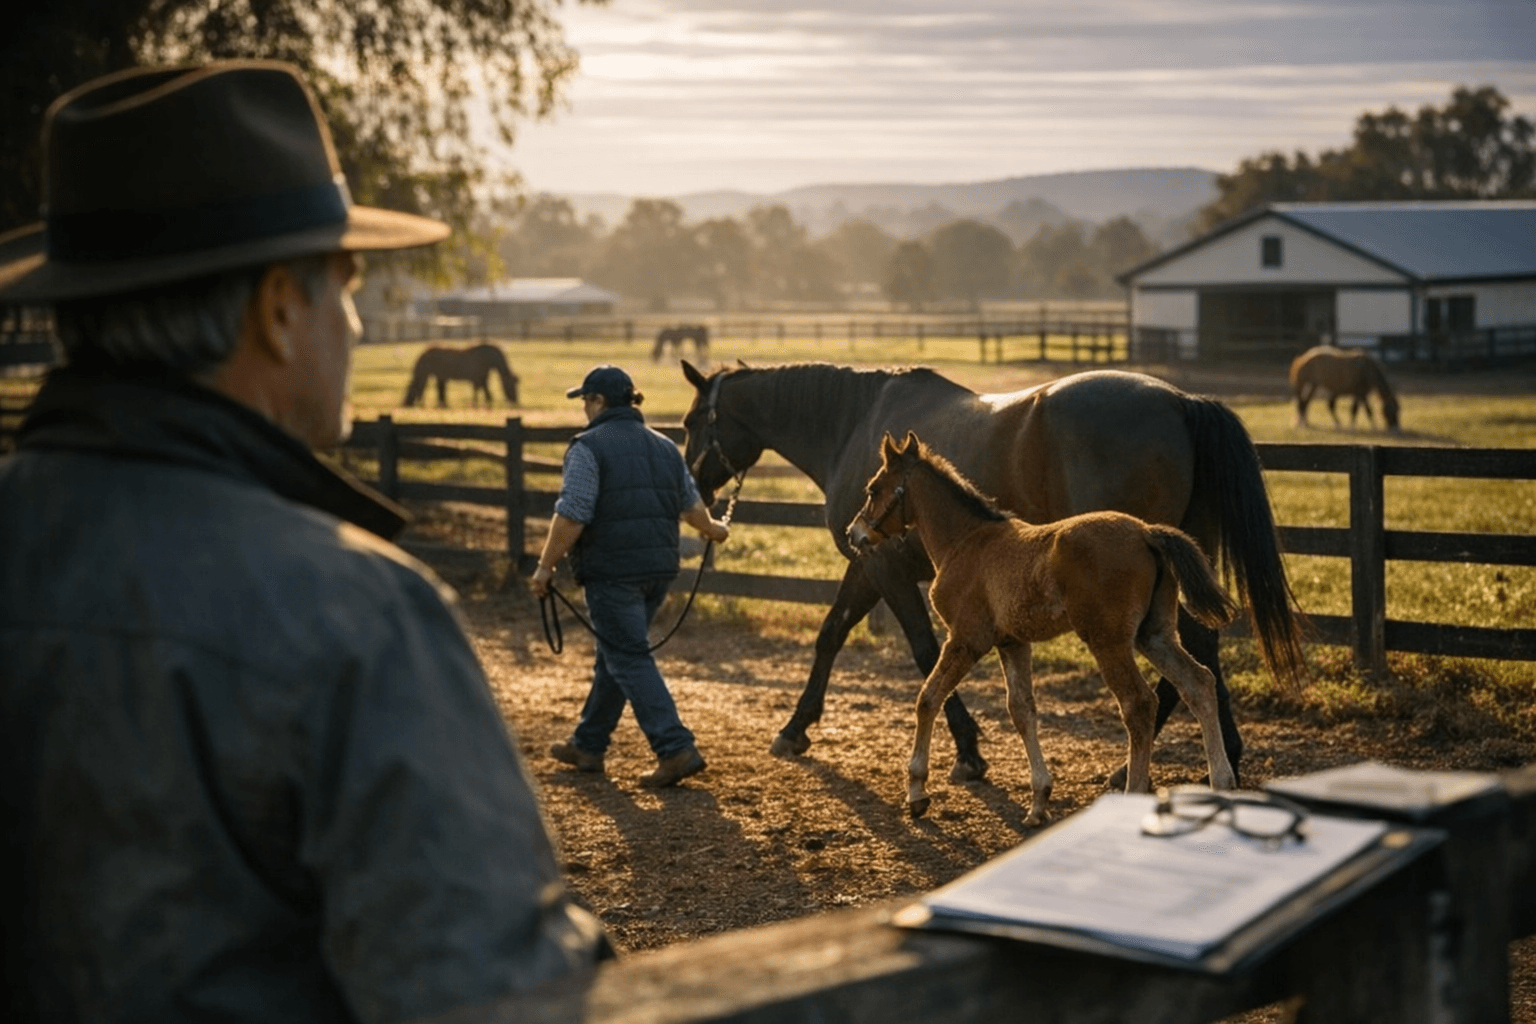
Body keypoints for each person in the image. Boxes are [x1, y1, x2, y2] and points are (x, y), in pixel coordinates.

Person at [0, 61, 607, 1023]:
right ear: (280, 308)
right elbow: (499, 995)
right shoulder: (352, 612)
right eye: (348, 288)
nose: (357, 325)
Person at [530, 365, 730, 788]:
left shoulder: (588, 447)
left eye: (586, 400)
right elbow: (691, 507)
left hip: (612, 571)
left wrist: (546, 566)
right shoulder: (663, 447)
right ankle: (589, 744)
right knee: (616, 654)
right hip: (658, 570)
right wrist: (713, 530)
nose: (584, 408)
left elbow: (573, 512)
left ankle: (674, 748)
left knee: (626, 656)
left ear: (600, 402)